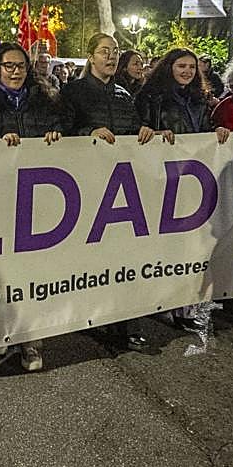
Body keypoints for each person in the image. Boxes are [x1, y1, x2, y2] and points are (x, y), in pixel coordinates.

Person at [0, 42, 64, 370]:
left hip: (35, 196)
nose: (15, 71)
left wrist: (56, 135)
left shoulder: (44, 99)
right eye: (8, 66)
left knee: (32, 269)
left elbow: (63, 127)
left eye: (20, 66)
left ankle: (31, 341)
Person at [61, 33, 160, 347]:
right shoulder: (72, 92)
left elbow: (132, 130)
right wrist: (88, 132)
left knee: (121, 255)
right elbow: (61, 130)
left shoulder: (123, 94)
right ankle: (85, 311)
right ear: (91, 56)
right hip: (87, 183)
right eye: (104, 51)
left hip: (121, 187)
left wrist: (144, 129)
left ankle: (122, 323)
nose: (111, 56)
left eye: (115, 51)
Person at [136, 48, 231, 331]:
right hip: (160, 179)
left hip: (192, 179)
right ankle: (149, 300)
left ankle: (183, 308)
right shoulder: (150, 96)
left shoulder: (200, 99)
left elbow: (204, 130)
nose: (187, 71)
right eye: (181, 66)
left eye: (192, 67)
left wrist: (217, 132)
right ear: (169, 67)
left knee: (188, 245)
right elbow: (139, 130)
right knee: (159, 246)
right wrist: (152, 133)